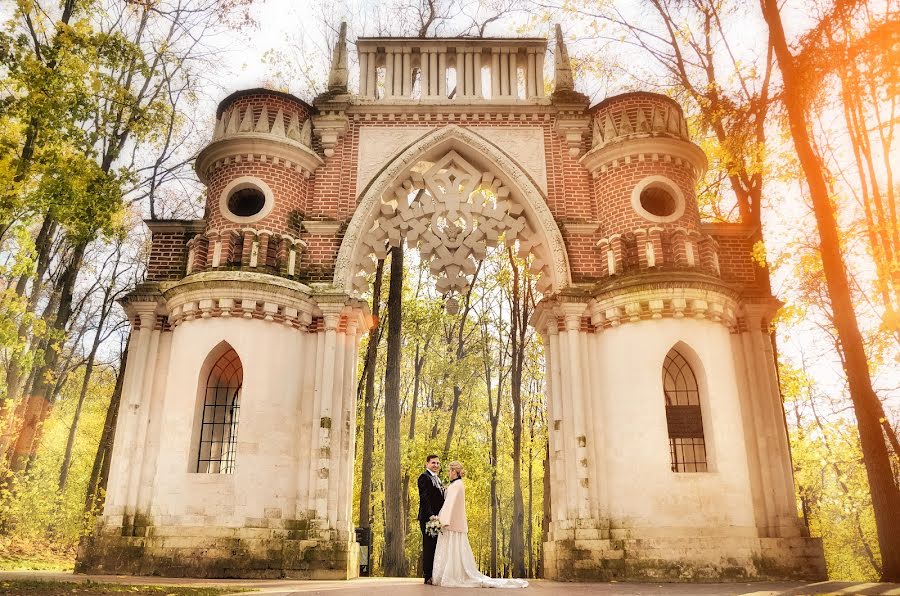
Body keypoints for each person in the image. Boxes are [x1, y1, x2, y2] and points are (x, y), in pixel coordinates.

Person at [432, 461, 528, 588]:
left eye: (450, 471)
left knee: (452, 551)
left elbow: (449, 505)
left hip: (452, 524)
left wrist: (440, 521)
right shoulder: (458, 484)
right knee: (455, 553)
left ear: (454, 472)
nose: (449, 473)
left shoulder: (456, 485)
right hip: (456, 523)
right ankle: (454, 574)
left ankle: (452, 576)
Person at [417, 454, 445, 585]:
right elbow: (425, 498)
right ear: (427, 464)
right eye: (433, 463)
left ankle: (434, 573)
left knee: (435, 546)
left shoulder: (438, 479)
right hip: (428, 518)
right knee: (428, 546)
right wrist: (431, 515)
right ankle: (427, 575)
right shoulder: (424, 477)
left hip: (437, 518)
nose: (436, 465)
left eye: (438, 463)